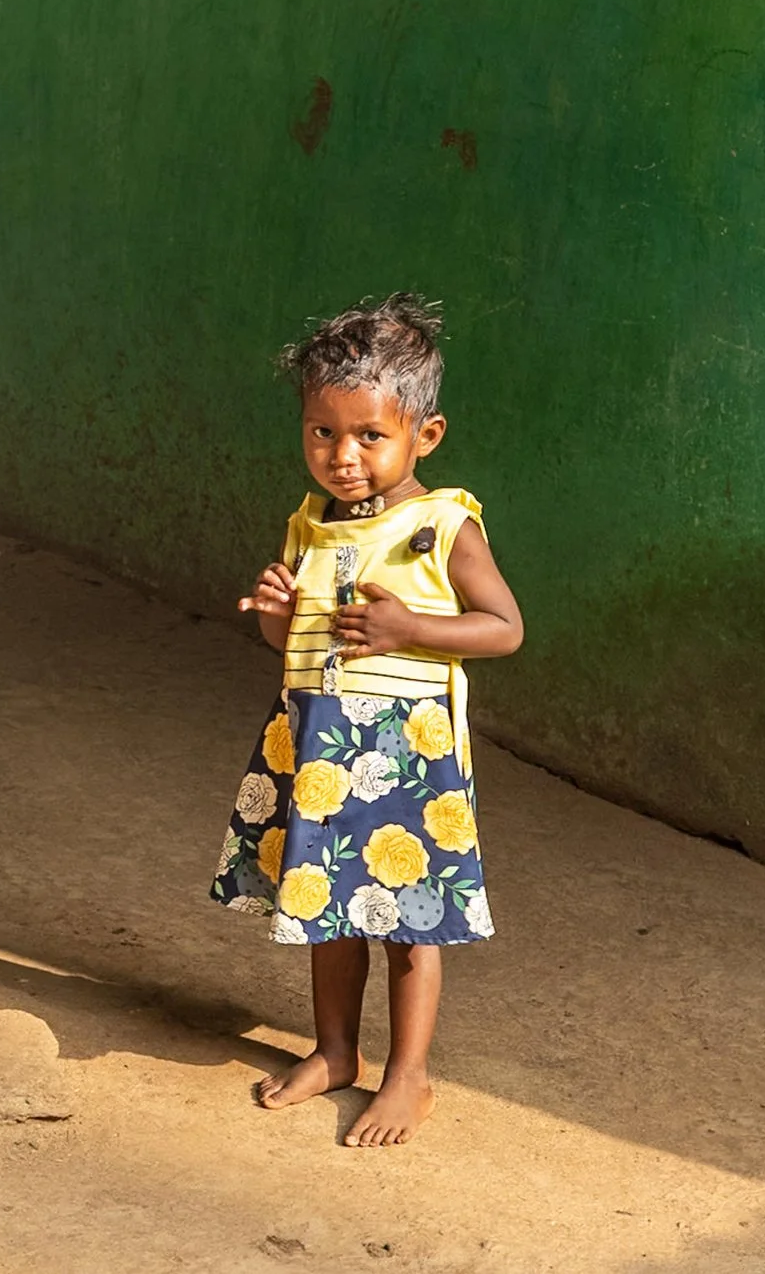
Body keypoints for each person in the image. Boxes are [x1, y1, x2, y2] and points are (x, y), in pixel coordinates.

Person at [212, 293, 524, 1147]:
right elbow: (291, 638)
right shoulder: (308, 523)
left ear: (424, 434)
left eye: (369, 436)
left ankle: (409, 1075)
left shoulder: (441, 524)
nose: (342, 456)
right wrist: (275, 608)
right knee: (330, 905)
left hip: (405, 752)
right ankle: (335, 1050)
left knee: (409, 921)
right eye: (322, 433)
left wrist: (410, 626)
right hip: (318, 739)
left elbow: (505, 627)